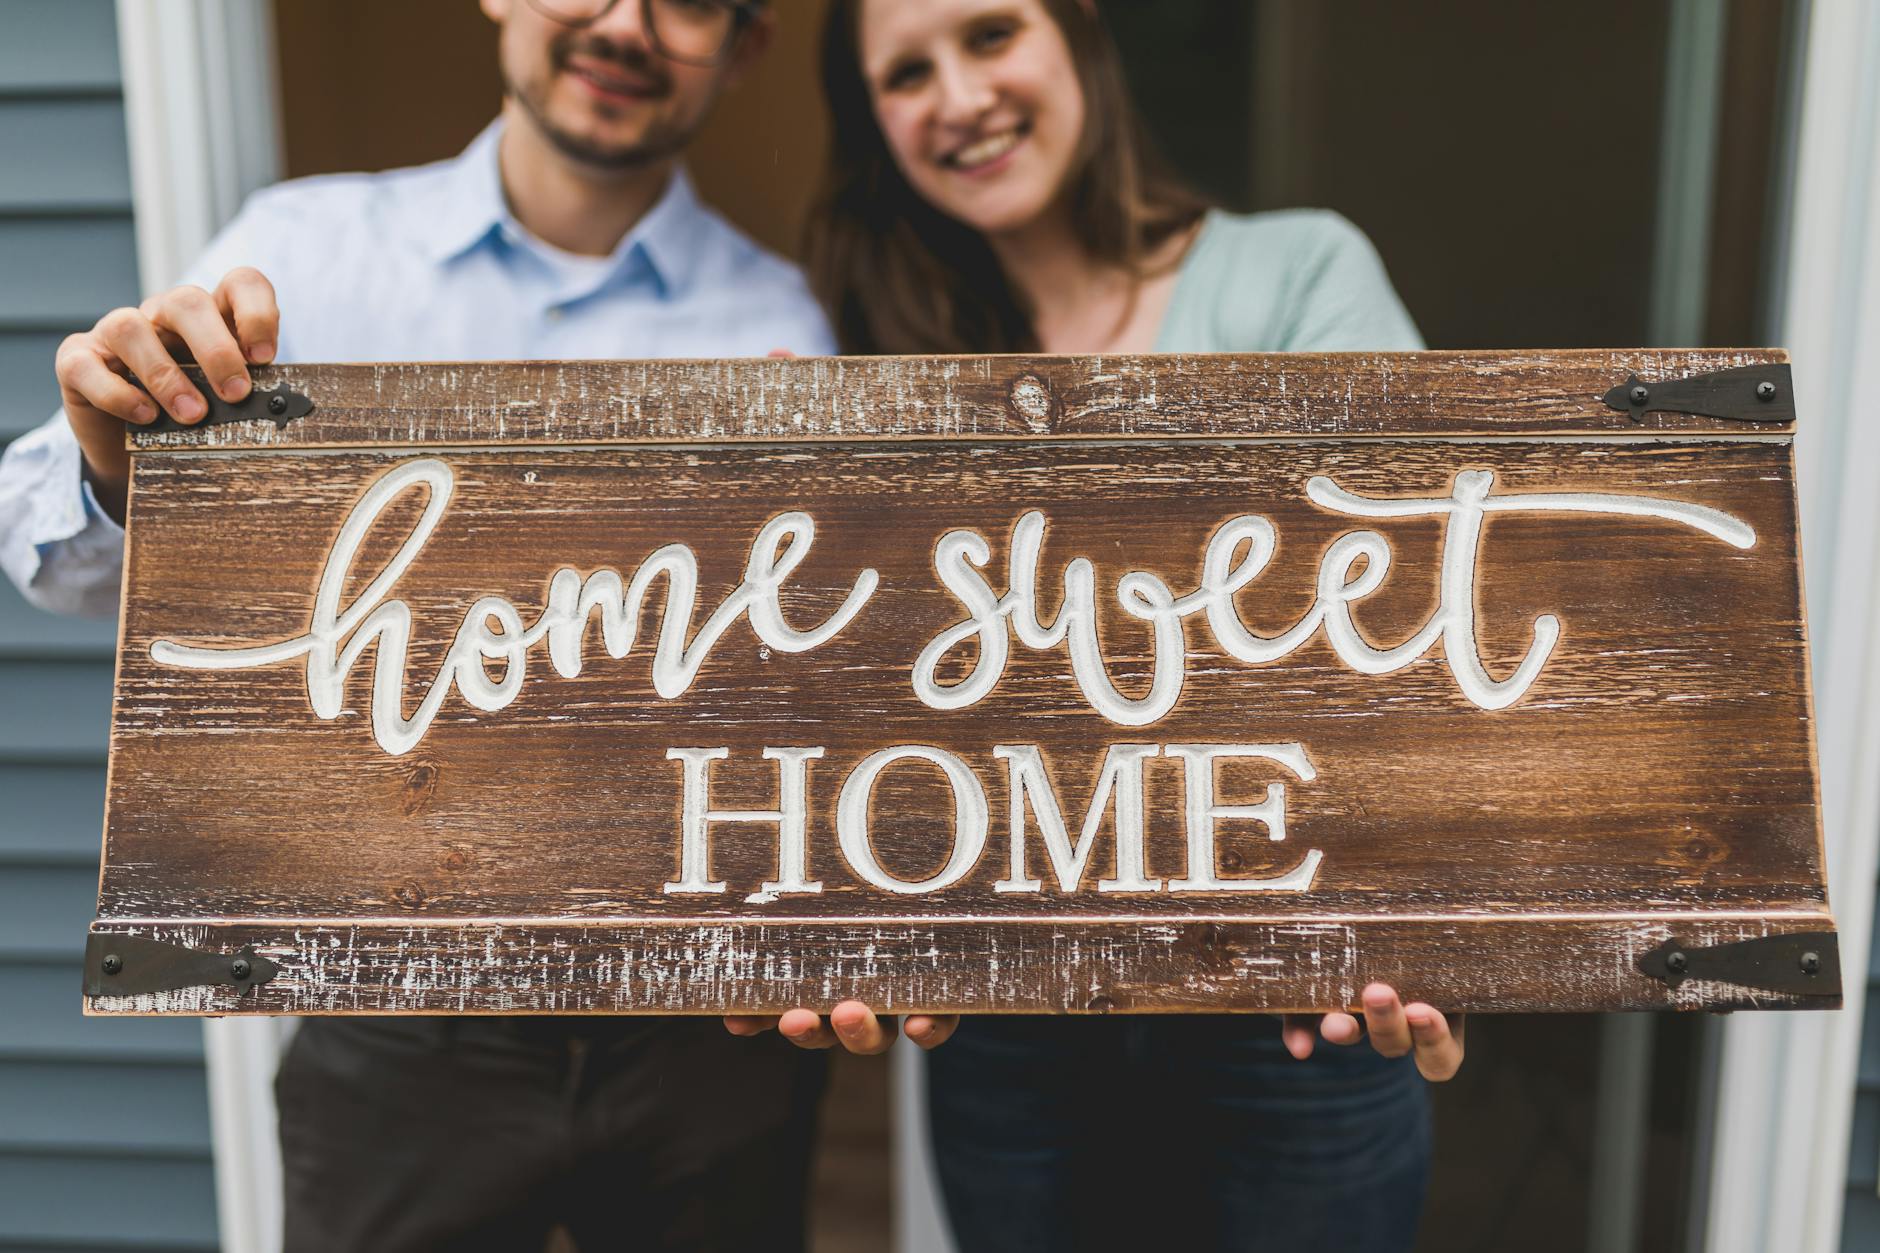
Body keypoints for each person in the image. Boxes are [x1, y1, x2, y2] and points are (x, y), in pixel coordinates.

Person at [0, 2, 862, 1249]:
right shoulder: (300, 250)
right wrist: (119, 454)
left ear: (744, 45)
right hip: (392, 1016)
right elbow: (49, 550)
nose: (623, 25)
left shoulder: (781, 320)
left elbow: (818, 689)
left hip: (702, 1027)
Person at [725, 1, 1465, 1249]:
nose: (958, 97)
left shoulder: (1295, 271)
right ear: (873, 127)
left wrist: (1455, 915)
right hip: (1010, 1027)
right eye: (906, 73)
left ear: (1079, 41)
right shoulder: (868, 351)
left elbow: (1404, 646)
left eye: (991, 33)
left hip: (1287, 998)